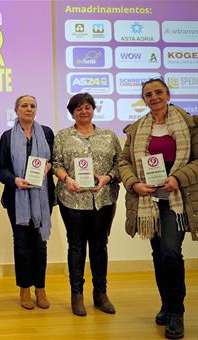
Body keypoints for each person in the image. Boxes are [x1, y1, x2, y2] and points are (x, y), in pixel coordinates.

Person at [118, 78, 198, 340]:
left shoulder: (189, 123)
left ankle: (176, 313)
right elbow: (125, 160)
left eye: (158, 92)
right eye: (148, 94)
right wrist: (134, 183)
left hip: (176, 198)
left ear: (168, 94)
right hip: (148, 200)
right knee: (158, 254)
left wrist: (178, 178)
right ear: (144, 99)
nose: (154, 97)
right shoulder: (138, 128)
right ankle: (166, 304)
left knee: (171, 253)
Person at [53, 92, 121, 317]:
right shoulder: (62, 136)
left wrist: (108, 178)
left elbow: (119, 165)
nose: (83, 111)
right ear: (72, 112)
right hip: (72, 199)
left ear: (93, 109)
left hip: (103, 199)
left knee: (100, 246)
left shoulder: (109, 136)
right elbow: (56, 163)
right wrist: (66, 179)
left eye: (87, 107)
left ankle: (101, 294)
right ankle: (77, 295)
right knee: (76, 246)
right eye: (78, 108)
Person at [0, 95, 55, 310]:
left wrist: (49, 167)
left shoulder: (46, 133)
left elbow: (55, 161)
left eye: (32, 106)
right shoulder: (7, 136)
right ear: (16, 110)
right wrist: (14, 180)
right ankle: (24, 289)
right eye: (24, 105)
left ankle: (41, 288)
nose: (28, 109)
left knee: (40, 244)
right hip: (16, 198)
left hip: (42, 199)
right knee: (22, 245)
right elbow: (0, 170)